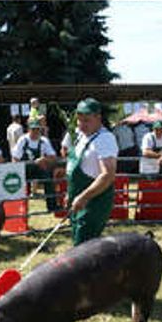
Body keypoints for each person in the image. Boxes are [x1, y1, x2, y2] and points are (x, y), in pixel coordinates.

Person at [66, 98, 118, 245]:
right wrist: (70, 193)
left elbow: (108, 175)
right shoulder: (82, 137)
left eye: (87, 120)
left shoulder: (105, 139)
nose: (82, 125)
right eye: (79, 120)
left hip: (94, 203)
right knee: (79, 245)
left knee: (83, 248)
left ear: (98, 118)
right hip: (78, 199)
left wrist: (83, 197)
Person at [11, 121, 59, 211]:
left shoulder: (44, 141)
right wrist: (16, 171)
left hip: (38, 168)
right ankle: (18, 207)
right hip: (24, 168)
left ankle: (52, 206)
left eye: (38, 129)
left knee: (48, 178)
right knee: (15, 182)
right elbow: (15, 158)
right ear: (29, 130)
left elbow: (53, 157)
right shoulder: (23, 140)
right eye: (33, 129)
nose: (36, 132)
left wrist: (44, 159)